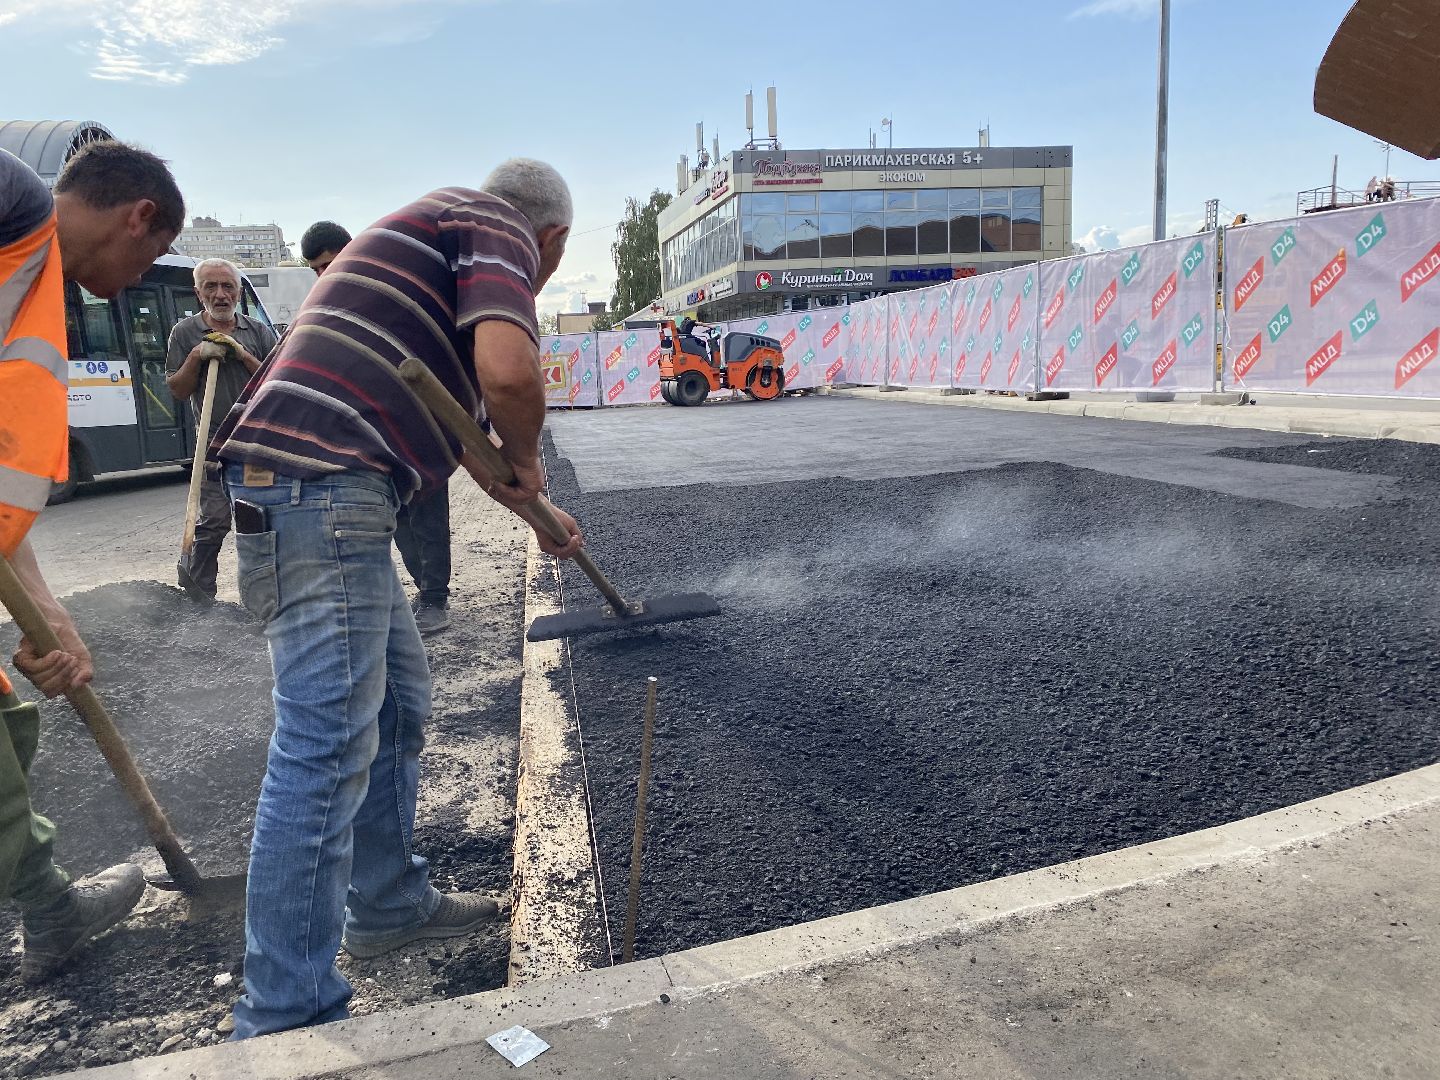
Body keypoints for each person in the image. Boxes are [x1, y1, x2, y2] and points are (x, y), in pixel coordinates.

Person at [211, 159, 584, 1038]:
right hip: (323, 490)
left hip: (316, 488)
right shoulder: (495, 224)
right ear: (554, 240)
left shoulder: (421, 246)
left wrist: (535, 511)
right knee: (325, 742)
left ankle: (384, 904)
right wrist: (530, 458)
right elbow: (511, 378)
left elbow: (466, 435)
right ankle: (282, 1017)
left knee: (401, 702)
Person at [0, 141, 183, 981]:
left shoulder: (28, 272)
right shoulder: (12, 203)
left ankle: (47, 911)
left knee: (10, 719)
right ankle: (48, 911)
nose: (141, 279)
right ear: (138, 215)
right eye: (149, 255)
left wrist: (43, 603)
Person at [304, 219, 455, 635]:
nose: (324, 274)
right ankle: (424, 590)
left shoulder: (386, 294)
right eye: (316, 269)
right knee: (399, 518)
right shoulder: (325, 307)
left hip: (418, 425)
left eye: (330, 263)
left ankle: (436, 598)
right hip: (373, 434)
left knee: (428, 516)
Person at [165, 259, 278, 602]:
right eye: (211, 287)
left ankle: (263, 598)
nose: (220, 294)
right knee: (213, 521)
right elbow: (178, 389)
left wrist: (243, 355)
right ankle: (200, 597)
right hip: (211, 446)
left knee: (256, 521)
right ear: (198, 293)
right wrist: (196, 356)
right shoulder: (184, 333)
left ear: (239, 292)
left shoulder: (257, 332)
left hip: (253, 445)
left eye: (228, 286)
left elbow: (275, 382)